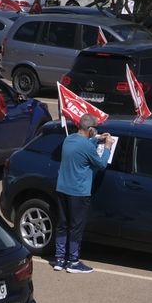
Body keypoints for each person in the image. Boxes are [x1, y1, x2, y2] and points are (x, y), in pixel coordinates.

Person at [54, 116, 110, 274]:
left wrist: (96, 138)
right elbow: (101, 164)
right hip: (78, 193)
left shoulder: (68, 139)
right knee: (76, 227)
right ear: (91, 130)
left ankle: (59, 259)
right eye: (95, 129)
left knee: (62, 224)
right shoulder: (87, 147)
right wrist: (107, 147)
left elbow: (82, 146)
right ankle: (73, 261)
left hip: (62, 189)